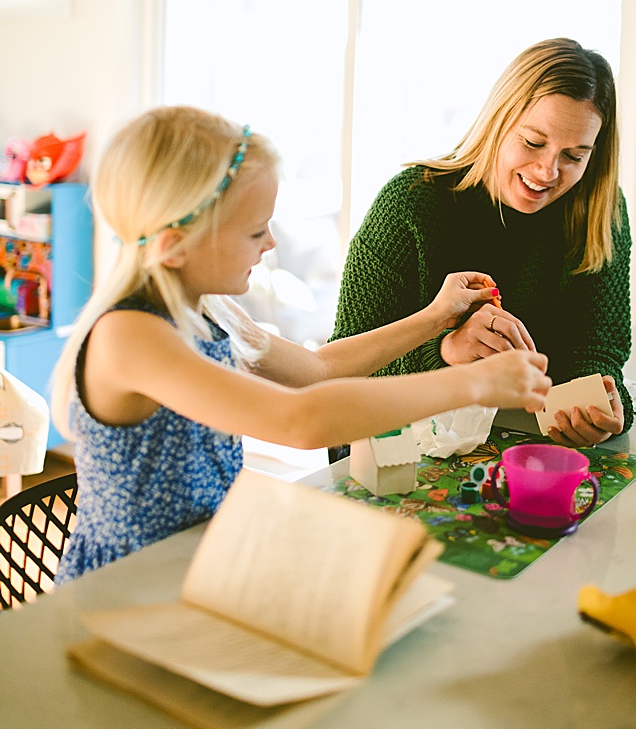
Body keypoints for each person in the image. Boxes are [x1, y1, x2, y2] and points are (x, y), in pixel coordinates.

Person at [50, 107, 551, 582]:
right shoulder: (130, 336)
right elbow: (300, 419)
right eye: (253, 231)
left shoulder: (210, 310)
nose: (270, 244)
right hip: (123, 588)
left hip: (200, 565)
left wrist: (435, 316)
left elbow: (317, 370)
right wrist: (472, 382)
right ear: (174, 245)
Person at [331, 37, 632, 448]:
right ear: (498, 121)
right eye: (533, 142)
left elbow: (599, 345)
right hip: (397, 453)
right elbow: (343, 373)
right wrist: (445, 352)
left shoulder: (600, 213)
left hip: (525, 448)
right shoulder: (409, 206)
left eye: (574, 156)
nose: (547, 171)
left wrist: (600, 402)